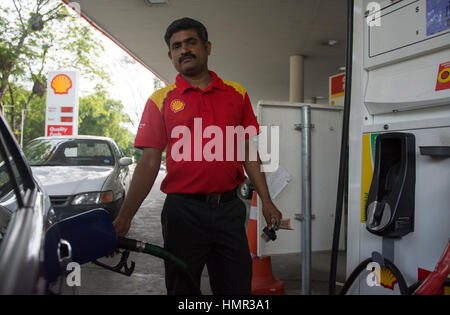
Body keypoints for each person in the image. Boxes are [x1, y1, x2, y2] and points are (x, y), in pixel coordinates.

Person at [113, 17, 282, 295]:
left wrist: (266, 200)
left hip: (229, 210)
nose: (184, 50)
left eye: (191, 42)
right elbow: (149, 162)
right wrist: (125, 217)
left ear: (207, 47)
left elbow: (248, 150)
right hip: (182, 213)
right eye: (176, 46)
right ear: (170, 55)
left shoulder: (236, 93)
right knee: (183, 289)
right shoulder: (160, 100)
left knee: (236, 290)